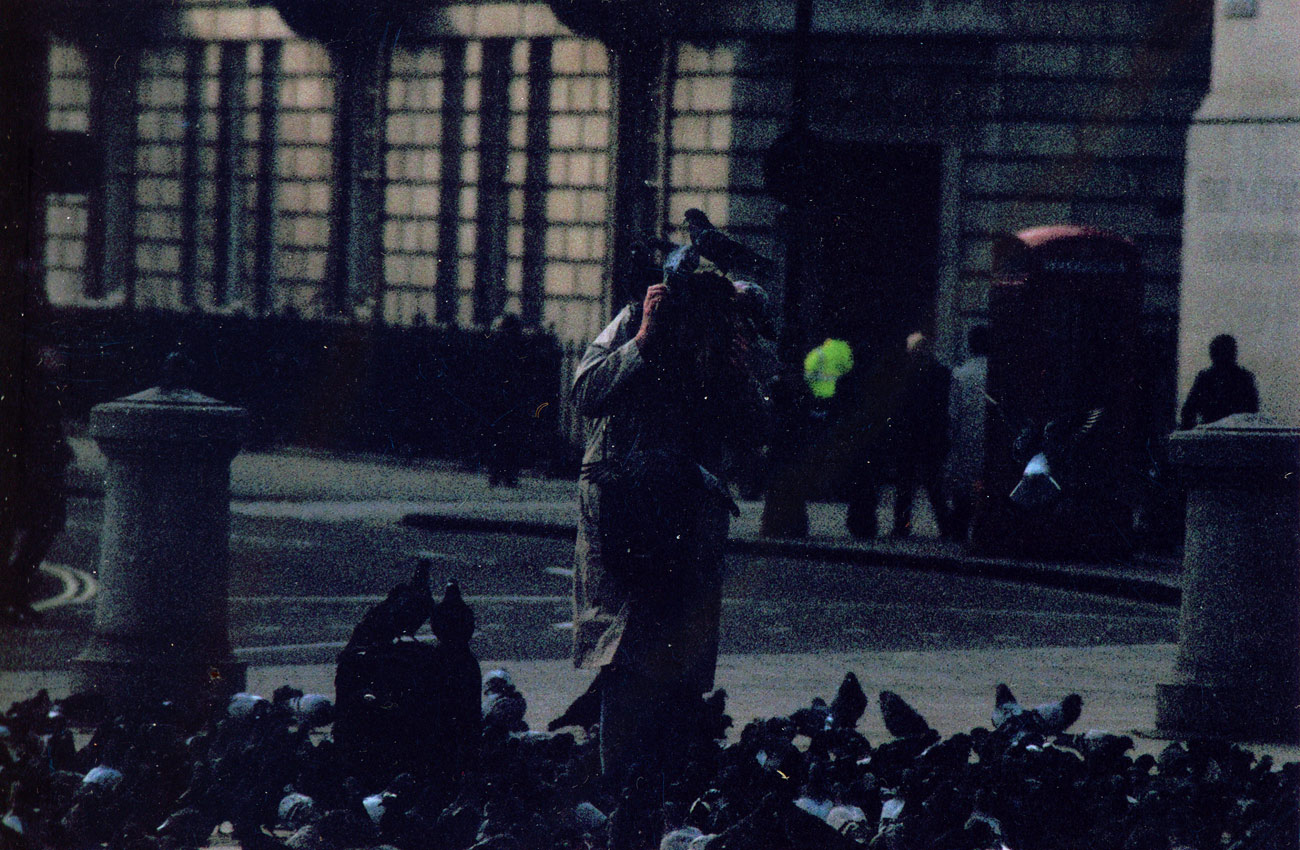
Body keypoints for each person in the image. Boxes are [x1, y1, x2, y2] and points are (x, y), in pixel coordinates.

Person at [570, 269, 766, 783]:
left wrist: (742, 377)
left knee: (682, 657)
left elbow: (751, 447)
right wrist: (640, 343)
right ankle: (619, 783)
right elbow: (585, 392)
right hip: (625, 512)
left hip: (690, 516)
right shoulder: (637, 323)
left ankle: (662, 778)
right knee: (626, 651)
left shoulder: (725, 352)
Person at [0, 343, 72, 624]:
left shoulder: (40, 382)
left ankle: (13, 595)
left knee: (43, 526)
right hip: (24, 462)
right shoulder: (22, 378)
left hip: (39, 461)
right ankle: (11, 597)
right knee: (26, 527)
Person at [886, 332, 952, 538]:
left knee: (905, 486)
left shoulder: (904, 374)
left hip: (908, 435)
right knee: (934, 485)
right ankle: (945, 526)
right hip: (931, 435)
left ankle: (902, 526)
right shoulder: (942, 372)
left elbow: (898, 407)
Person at [944, 326, 989, 542]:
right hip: (989, 436)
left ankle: (960, 529)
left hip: (966, 436)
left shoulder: (961, 374)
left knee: (962, 485)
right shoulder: (997, 372)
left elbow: (953, 414)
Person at [1179, 334, 1258, 429]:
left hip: (1211, 433)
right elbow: (1252, 413)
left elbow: (1188, 412)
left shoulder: (1205, 378)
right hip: (1238, 433)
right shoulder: (1245, 377)